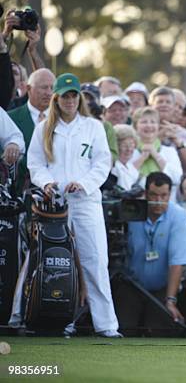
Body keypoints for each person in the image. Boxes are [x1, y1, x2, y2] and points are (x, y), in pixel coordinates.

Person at [27, 73, 121, 338]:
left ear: (79, 98)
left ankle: (106, 325)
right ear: (56, 98)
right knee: (56, 262)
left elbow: (103, 163)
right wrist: (47, 183)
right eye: (64, 96)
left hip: (86, 203)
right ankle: (58, 321)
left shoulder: (93, 127)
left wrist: (83, 183)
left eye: (73, 95)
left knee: (95, 261)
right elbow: (35, 163)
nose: (69, 100)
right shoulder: (43, 127)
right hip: (54, 206)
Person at [117, 172, 186, 336]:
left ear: (170, 195)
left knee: (159, 331)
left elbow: (177, 262)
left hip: (163, 288)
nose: (158, 201)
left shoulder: (179, 216)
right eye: (153, 195)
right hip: (131, 285)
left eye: (164, 196)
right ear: (145, 194)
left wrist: (170, 301)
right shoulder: (130, 211)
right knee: (124, 329)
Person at [7, 68, 55, 192]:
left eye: (52, 87)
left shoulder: (63, 121)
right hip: (18, 193)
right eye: (44, 87)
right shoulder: (10, 118)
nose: (49, 93)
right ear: (28, 89)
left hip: (54, 192)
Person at [129, 106, 182, 196]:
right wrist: (142, 158)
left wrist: (155, 155)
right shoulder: (129, 151)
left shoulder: (169, 151)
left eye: (153, 122)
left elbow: (176, 178)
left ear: (158, 127)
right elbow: (125, 179)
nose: (149, 125)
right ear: (135, 127)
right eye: (143, 122)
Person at [149, 86, 186, 172]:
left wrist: (179, 144)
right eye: (160, 102)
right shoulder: (141, 126)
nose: (164, 105)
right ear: (151, 105)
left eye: (168, 102)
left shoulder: (182, 133)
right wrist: (158, 138)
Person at [111, 124, 139, 191]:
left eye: (131, 144)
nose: (129, 149)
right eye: (124, 145)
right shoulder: (113, 167)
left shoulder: (130, 166)